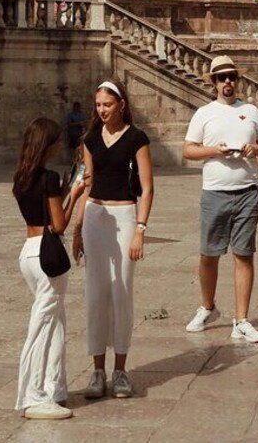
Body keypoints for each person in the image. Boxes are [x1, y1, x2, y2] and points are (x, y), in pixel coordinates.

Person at [182, 56, 258, 342]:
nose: (228, 82)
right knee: (209, 254)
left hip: (247, 191)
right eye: (222, 78)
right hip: (215, 192)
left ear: (238, 80)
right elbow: (188, 150)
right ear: (214, 82)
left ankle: (241, 320)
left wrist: (255, 149)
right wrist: (214, 151)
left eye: (232, 76)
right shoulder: (204, 113)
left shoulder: (251, 111)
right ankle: (207, 306)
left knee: (244, 254)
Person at [72, 79, 154, 399]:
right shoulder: (91, 139)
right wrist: (78, 227)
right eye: (98, 105)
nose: (102, 110)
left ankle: (120, 369)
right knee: (95, 293)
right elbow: (87, 184)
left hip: (124, 214)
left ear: (121, 104)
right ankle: (97, 370)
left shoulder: (137, 138)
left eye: (107, 104)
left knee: (121, 291)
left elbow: (147, 188)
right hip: (95, 216)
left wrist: (140, 230)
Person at [13, 118, 85, 420]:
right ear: (49, 144)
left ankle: (55, 387)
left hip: (29, 251)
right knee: (43, 324)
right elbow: (58, 224)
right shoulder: (49, 177)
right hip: (47, 255)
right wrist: (74, 195)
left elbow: (41, 212)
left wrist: (63, 192)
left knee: (55, 320)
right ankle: (32, 396)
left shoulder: (21, 177)